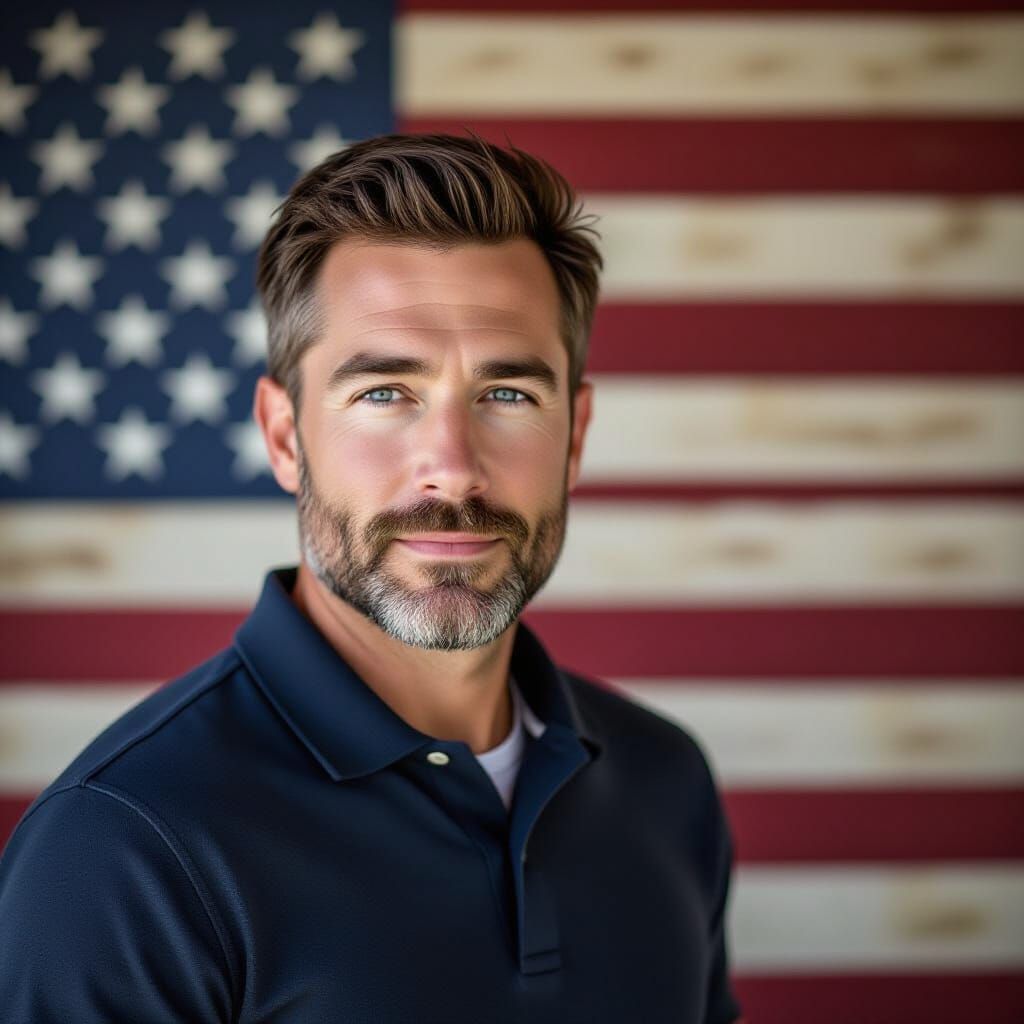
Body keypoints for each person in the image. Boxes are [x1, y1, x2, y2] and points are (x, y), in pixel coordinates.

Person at [0, 133, 743, 1023]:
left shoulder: (665, 783)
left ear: (575, 435)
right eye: (385, 393)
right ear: (284, 437)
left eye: (508, 395)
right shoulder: (122, 844)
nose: (453, 469)